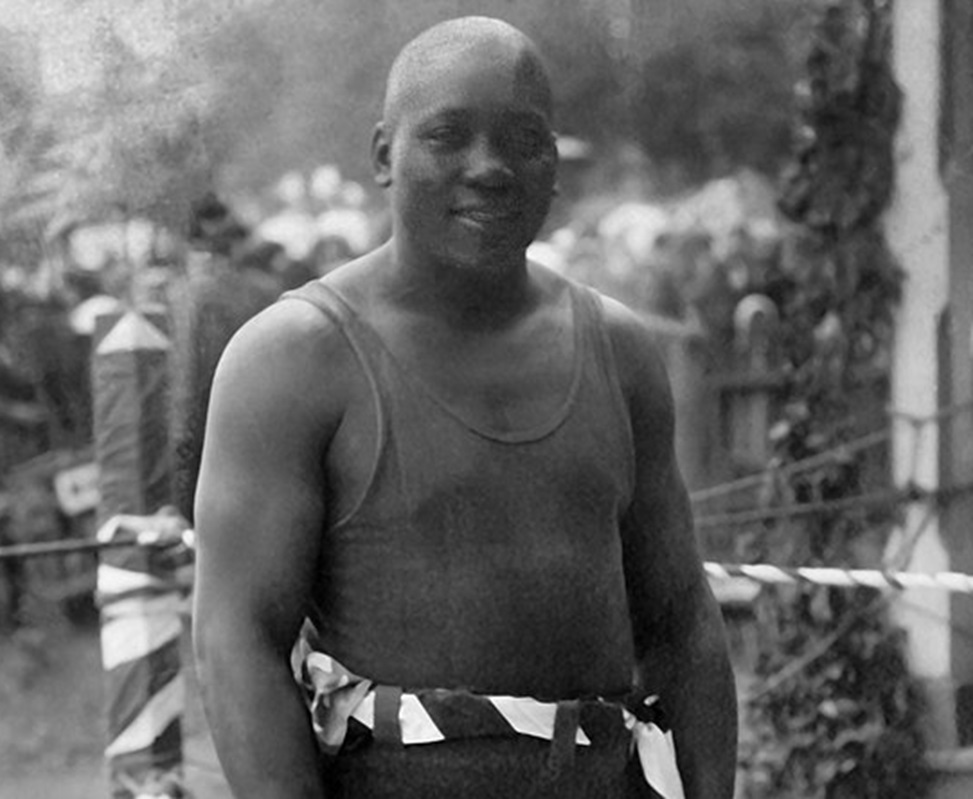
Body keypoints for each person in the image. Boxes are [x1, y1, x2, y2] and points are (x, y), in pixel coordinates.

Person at [192, 16, 736, 799]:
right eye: (448, 135)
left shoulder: (619, 354)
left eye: (524, 140)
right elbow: (235, 639)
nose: (489, 169)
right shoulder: (292, 360)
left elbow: (681, 620)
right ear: (384, 155)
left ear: (554, 164)